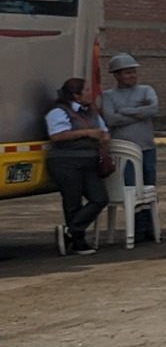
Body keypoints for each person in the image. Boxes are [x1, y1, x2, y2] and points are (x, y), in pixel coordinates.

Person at [45, 77, 109, 257]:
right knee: (72, 201)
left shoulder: (92, 112)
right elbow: (57, 135)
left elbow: (103, 131)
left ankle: (70, 231)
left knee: (99, 198)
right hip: (66, 161)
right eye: (87, 90)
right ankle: (78, 241)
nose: (91, 93)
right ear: (76, 95)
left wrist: (104, 138)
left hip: (89, 160)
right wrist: (87, 133)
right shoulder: (58, 112)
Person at [99, 53, 160, 239]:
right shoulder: (108, 96)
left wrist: (125, 112)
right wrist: (139, 113)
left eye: (133, 72)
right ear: (116, 75)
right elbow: (110, 118)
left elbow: (153, 109)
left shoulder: (146, 90)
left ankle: (151, 226)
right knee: (131, 188)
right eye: (127, 73)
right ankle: (139, 227)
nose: (132, 76)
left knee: (149, 187)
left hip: (147, 149)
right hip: (124, 153)